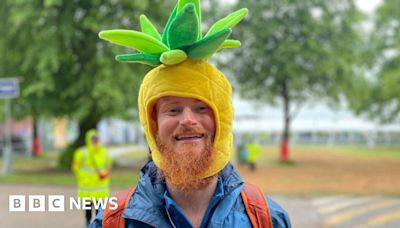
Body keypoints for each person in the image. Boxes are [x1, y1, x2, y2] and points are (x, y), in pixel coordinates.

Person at [91, 0, 291, 227]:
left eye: (201, 107)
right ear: (152, 125)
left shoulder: (265, 218)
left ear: (222, 119)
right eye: (173, 109)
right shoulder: (113, 220)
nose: (187, 120)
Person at [72, 129, 112, 226]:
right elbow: (75, 166)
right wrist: (83, 177)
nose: (95, 141)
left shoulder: (104, 152)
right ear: (88, 139)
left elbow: (108, 165)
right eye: (93, 139)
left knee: (100, 214)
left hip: (100, 191)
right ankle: (88, 225)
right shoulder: (81, 153)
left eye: (96, 139)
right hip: (87, 190)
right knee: (88, 213)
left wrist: (106, 173)